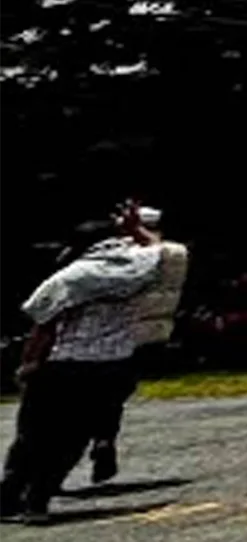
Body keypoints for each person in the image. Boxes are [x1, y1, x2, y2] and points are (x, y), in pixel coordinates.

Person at [7, 219, 160, 523]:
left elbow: (44, 325)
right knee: (73, 439)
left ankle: (9, 495)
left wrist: (28, 365)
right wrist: (135, 227)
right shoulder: (141, 268)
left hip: (67, 365)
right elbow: (157, 246)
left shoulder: (71, 278)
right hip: (114, 364)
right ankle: (39, 500)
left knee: (34, 434)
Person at [81, 206, 186, 488]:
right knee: (112, 397)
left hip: (115, 336)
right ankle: (104, 439)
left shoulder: (134, 259)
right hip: (150, 337)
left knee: (92, 395)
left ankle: (91, 442)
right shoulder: (174, 256)